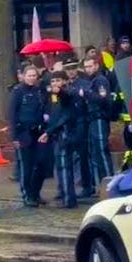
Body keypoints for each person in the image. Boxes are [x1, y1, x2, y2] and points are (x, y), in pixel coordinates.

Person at [11, 65, 48, 207]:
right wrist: (14, 137)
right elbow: (13, 114)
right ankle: (27, 195)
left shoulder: (40, 90)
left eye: (34, 75)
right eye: (29, 75)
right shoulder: (18, 91)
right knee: (26, 166)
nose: (32, 78)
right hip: (23, 133)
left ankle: (35, 193)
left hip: (38, 132)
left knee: (41, 164)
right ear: (24, 76)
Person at [43, 71, 81, 208]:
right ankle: (64, 195)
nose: (55, 84)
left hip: (65, 135)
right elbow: (54, 116)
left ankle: (69, 199)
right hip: (57, 135)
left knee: (65, 167)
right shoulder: (53, 97)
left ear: (64, 81)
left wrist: (59, 92)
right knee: (60, 167)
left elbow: (66, 98)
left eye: (58, 80)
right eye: (52, 81)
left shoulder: (67, 94)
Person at [81, 56, 114, 193]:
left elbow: (103, 100)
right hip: (92, 120)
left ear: (96, 66)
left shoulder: (100, 80)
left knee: (101, 151)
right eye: (86, 67)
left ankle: (108, 184)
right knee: (95, 154)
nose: (88, 69)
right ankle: (102, 184)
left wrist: (87, 94)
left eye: (90, 66)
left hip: (99, 118)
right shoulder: (90, 81)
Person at [64, 60, 91, 201]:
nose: (71, 72)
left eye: (73, 68)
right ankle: (67, 187)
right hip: (69, 124)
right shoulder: (65, 84)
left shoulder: (83, 83)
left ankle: (87, 185)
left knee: (83, 155)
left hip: (81, 121)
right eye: (68, 69)